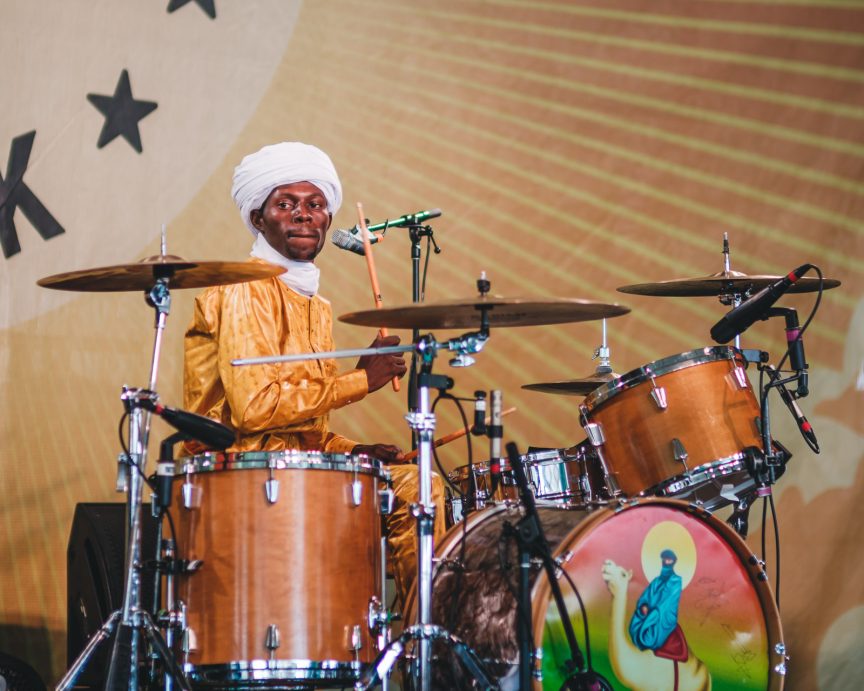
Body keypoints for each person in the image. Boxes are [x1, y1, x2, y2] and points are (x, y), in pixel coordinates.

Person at [183, 141, 445, 603]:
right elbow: (255, 410)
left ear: (327, 220)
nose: (304, 215)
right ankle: (425, 647)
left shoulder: (314, 304)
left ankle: (421, 640)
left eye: (316, 205)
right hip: (236, 478)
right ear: (259, 219)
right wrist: (361, 380)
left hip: (293, 470)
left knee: (419, 483)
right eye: (286, 204)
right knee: (417, 491)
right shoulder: (244, 288)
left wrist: (356, 450)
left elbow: (303, 431)